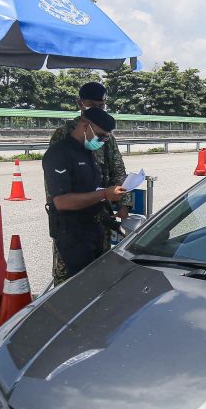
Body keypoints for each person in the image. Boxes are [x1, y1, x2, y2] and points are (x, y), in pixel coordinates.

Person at [47, 81, 131, 283]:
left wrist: (123, 202)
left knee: (97, 278)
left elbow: (116, 169)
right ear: (80, 104)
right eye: (91, 105)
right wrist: (104, 194)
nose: (96, 110)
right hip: (70, 224)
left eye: (101, 106)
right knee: (68, 282)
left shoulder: (104, 135)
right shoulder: (63, 138)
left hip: (98, 220)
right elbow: (59, 196)